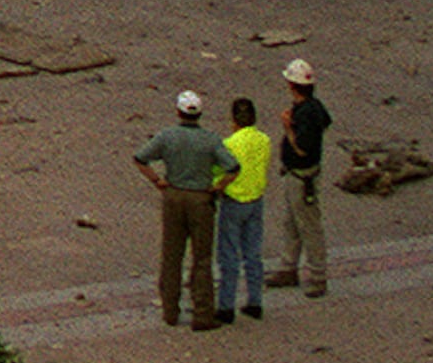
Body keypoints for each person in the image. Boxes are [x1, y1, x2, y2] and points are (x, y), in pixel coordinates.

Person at [132, 91, 225, 329]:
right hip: (201, 198)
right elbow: (233, 166)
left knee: (172, 255)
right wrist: (217, 187)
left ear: (178, 112)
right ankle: (203, 313)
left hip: (173, 195)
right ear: (200, 113)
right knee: (202, 258)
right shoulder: (211, 139)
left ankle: (170, 311)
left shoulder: (167, 136)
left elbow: (140, 158)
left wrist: (157, 180)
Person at [270, 57, 330, 299]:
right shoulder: (315, 108)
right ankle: (288, 268)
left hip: (301, 177)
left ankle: (317, 277)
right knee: (292, 223)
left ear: (292, 86)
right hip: (302, 175)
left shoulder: (304, 114)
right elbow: (326, 122)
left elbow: (302, 148)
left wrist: (288, 128)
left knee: (308, 227)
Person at [215, 96, 272, 322]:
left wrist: (216, 186)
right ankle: (255, 301)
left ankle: (226, 306)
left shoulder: (229, 144)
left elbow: (219, 172)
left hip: (234, 201)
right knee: (253, 253)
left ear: (233, 120)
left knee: (229, 255)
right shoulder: (264, 140)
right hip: (256, 200)